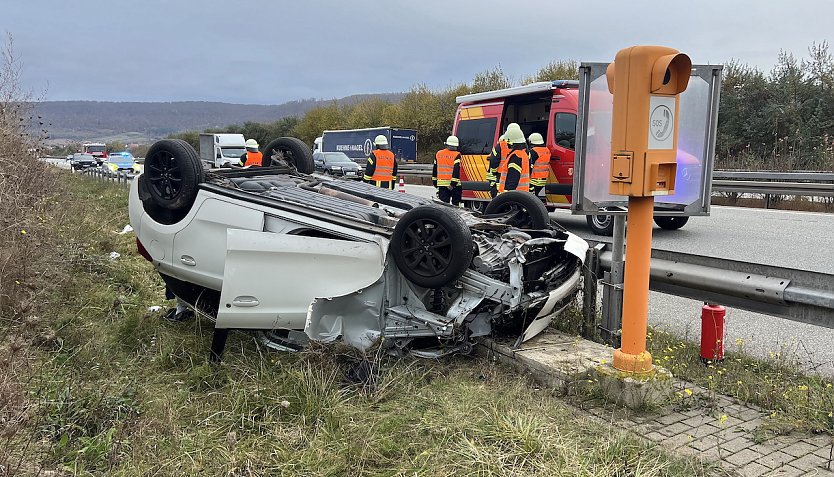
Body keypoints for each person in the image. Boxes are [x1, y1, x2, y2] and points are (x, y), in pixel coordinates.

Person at [488, 123, 522, 198]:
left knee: (501, 195)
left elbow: (494, 161)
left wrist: (494, 172)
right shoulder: (523, 146)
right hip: (519, 176)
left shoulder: (501, 145)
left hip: (501, 174)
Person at [498, 127, 530, 193]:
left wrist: (506, 196)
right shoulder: (523, 153)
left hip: (513, 196)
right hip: (520, 195)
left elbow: (512, 181)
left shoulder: (516, 156)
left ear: (512, 142)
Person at [433, 135, 462, 205]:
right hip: (454, 185)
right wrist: (453, 184)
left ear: (447, 144)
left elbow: (435, 169)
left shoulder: (439, 153)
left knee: (444, 206)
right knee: (456, 205)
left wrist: (434, 181)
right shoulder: (457, 154)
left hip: (441, 185)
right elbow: (456, 170)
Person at [528, 133, 551, 197]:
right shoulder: (547, 150)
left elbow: (529, 165)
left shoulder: (534, 151)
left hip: (534, 180)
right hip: (545, 179)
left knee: (531, 198)